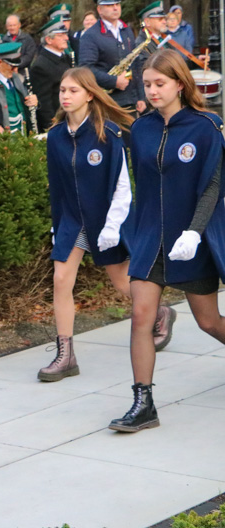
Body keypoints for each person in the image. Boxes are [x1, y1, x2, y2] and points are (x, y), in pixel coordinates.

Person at [110, 50, 225, 432]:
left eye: (160, 83)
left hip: (191, 237)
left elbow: (212, 185)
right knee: (141, 317)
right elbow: (137, 184)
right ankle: (143, 403)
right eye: (147, 84)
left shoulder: (206, 126)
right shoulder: (141, 129)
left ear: (180, 83)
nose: (153, 90)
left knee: (209, 322)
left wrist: (194, 232)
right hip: (149, 238)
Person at [39, 67, 135, 382]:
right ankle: (66, 355)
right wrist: (57, 226)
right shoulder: (55, 136)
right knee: (61, 279)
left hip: (105, 220)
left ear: (89, 95)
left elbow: (123, 187)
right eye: (62, 90)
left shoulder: (108, 134)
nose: (65, 96)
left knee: (122, 284)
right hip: (72, 221)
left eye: (73, 91)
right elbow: (57, 186)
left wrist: (111, 227)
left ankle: (160, 314)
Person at [79, 0, 146, 115]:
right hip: (106, 101)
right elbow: (85, 68)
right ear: (99, 10)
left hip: (130, 100)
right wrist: (113, 81)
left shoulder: (126, 30)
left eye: (117, 4)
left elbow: (135, 64)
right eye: (110, 5)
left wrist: (141, 96)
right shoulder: (90, 35)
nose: (115, 8)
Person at [0, 42, 38, 134]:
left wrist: (34, 101)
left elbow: (26, 101)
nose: (15, 70)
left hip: (24, 134)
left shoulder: (15, 78)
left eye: (17, 66)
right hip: (5, 138)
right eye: (12, 67)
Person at [30, 16, 73, 129]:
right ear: (49, 40)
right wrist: (52, 126)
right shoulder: (41, 66)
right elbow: (44, 103)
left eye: (65, 34)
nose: (66, 38)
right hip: (58, 121)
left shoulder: (66, 58)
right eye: (60, 35)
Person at [136, 1, 168, 71]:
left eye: (165, 19)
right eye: (160, 19)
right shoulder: (141, 43)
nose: (165, 22)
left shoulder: (165, 38)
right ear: (147, 22)